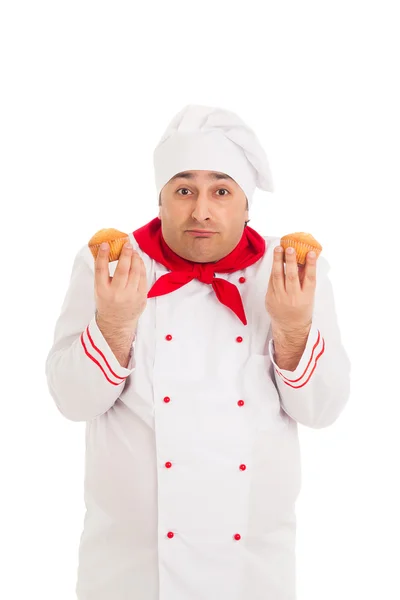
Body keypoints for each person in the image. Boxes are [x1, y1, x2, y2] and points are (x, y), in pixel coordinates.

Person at [45, 104, 351, 600]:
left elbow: (322, 410)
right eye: (184, 190)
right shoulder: (109, 263)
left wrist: (293, 328)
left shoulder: (291, 269)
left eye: (221, 191)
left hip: (252, 573)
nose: (201, 210)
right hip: (128, 573)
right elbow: (73, 402)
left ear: (247, 205)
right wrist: (115, 322)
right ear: (160, 201)